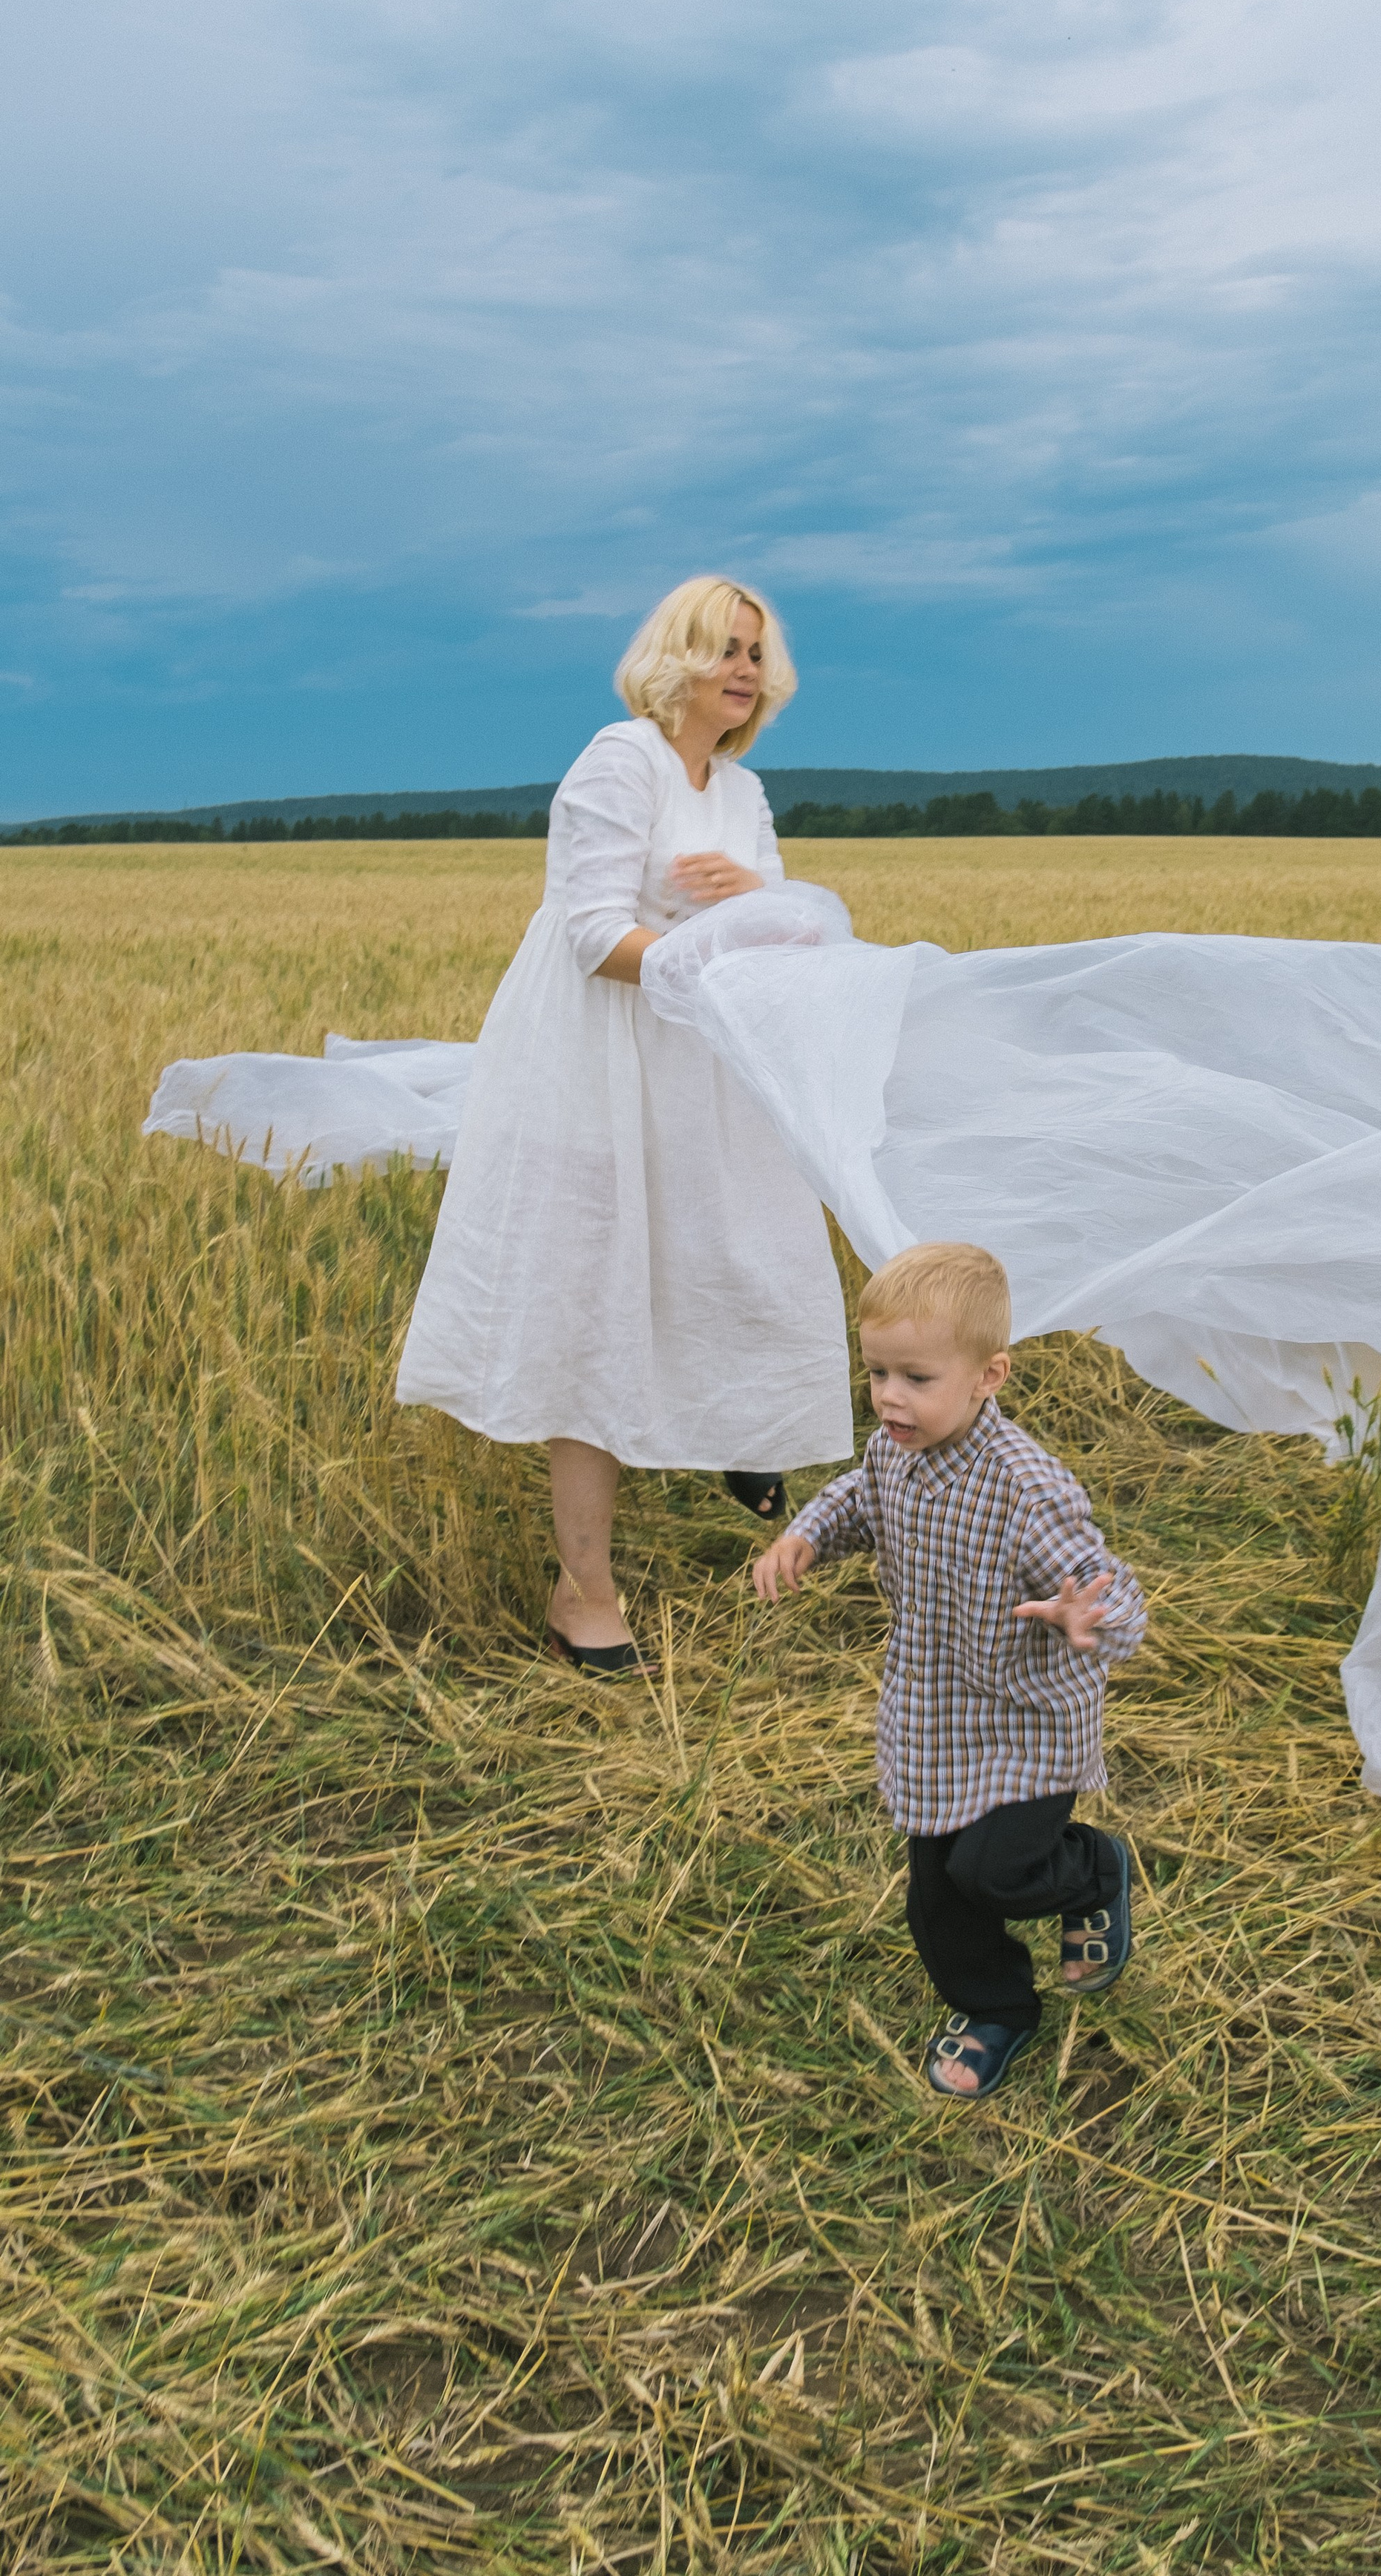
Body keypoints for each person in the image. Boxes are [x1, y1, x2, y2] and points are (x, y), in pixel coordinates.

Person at [394, 575, 853, 1672]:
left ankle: (739, 1430)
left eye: (755, 653)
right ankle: (582, 1592)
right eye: (721, 650)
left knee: (752, 1255)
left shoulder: (740, 791)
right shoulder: (621, 759)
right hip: (601, 1063)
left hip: (707, 1065)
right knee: (596, 1302)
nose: (744, 672)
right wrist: (724, 936)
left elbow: (782, 924)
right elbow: (592, 936)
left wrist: (749, 895)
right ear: (672, 660)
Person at [752, 1241, 1145, 2099]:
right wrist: (807, 1535)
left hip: (1027, 1721)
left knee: (992, 1871)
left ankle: (1094, 1870)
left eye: (916, 1378)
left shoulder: (1024, 1492)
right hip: (932, 1711)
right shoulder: (895, 1449)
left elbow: (1120, 1597)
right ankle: (996, 2007)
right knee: (935, 1889)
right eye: (878, 1373)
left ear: (987, 1376)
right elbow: (858, 1496)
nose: (890, 1397)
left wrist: (1089, 1614)